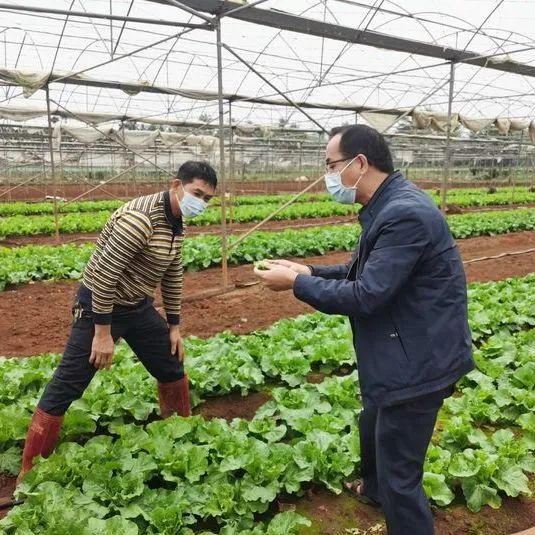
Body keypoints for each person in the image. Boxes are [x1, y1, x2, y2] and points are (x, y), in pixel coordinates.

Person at [254, 125, 473, 535]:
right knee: (371, 422)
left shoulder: (404, 213)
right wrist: (309, 270)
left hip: (419, 363)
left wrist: (297, 284)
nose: (328, 176)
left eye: (331, 165)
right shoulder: (389, 206)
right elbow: (365, 272)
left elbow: (367, 294)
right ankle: (373, 489)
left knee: (400, 478)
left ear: (359, 163)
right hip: (406, 347)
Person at [17, 160, 217, 483]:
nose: (201, 203)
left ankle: (180, 435)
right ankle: (29, 474)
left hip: (137, 306)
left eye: (208, 199)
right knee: (68, 384)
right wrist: (102, 333)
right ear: (176, 186)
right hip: (100, 304)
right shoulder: (139, 221)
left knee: (171, 364)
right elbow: (106, 276)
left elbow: (172, 274)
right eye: (197, 193)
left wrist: (174, 326)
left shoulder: (178, 223)